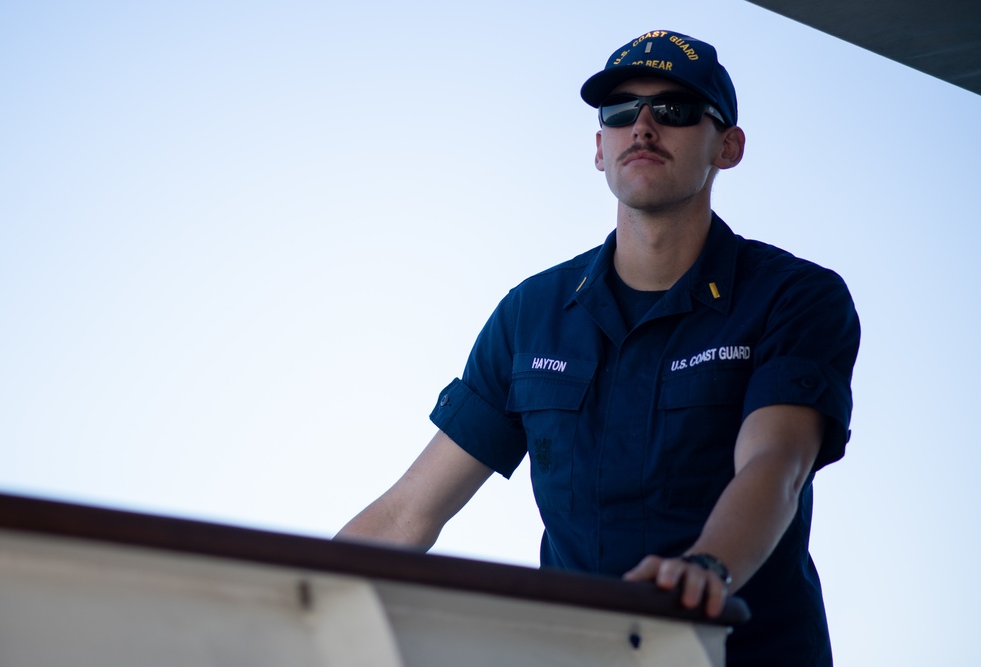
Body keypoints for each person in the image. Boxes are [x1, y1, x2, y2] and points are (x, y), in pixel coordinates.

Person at [337, 29, 860, 667]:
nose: (642, 127)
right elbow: (407, 514)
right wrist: (287, 603)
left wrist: (707, 569)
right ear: (598, 148)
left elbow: (776, 464)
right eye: (620, 113)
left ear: (728, 146)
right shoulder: (532, 316)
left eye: (674, 110)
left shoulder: (793, 298)